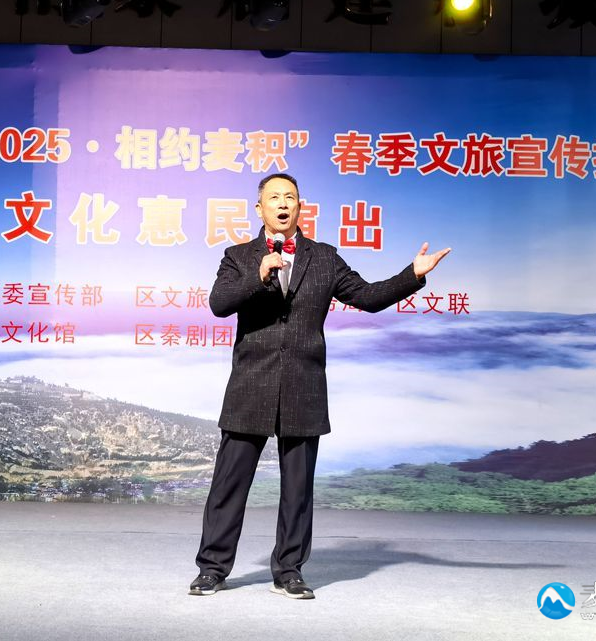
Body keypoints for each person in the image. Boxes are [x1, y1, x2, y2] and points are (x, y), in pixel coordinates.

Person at [189, 173, 450, 600]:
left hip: (304, 386)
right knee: (228, 485)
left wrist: (412, 275)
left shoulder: (324, 257)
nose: (282, 203)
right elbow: (219, 303)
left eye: (290, 197)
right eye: (274, 197)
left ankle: (289, 571)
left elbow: (368, 297)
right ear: (259, 208)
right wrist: (259, 273)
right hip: (250, 387)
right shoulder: (238, 256)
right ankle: (212, 569)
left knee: (298, 489)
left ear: (300, 207)